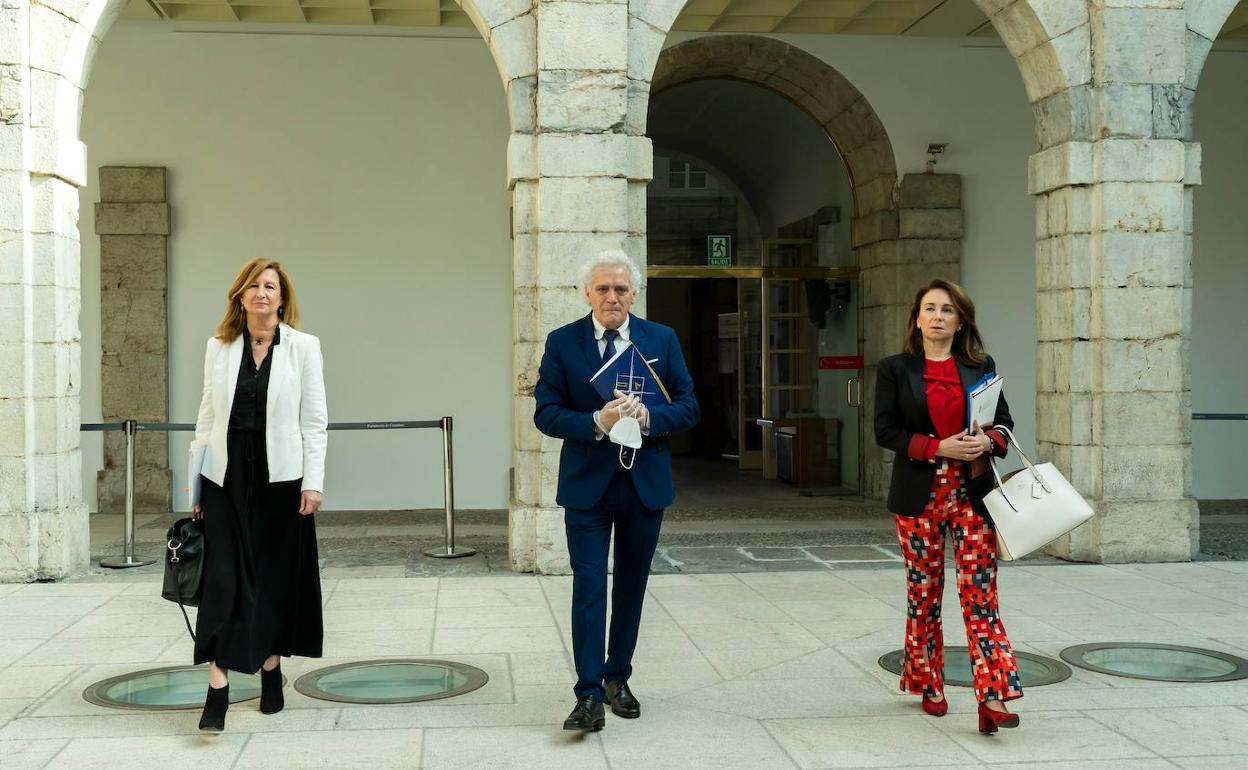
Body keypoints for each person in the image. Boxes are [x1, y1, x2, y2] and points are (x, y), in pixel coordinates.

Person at [534, 249, 700, 732]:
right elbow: (546, 413)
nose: (612, 297)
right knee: (589, 587)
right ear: (587, 292)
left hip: (643, 485)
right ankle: (586, 695)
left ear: (633, 294)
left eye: (621, 289)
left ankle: (616, 679)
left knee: (631, 587)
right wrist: (595, 421)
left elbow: (689, 407)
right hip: (587, 487)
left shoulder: (660, 339)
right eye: (603, 288)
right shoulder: (563, 343)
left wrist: (650, 417)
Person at [873, 278, 1023, 735]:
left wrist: (985, 441)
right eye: (930, 308)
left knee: (981, 595)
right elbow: (887, 432)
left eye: (948, 310)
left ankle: (993, 696)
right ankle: (927, 680)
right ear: (917, 318)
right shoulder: (895, 369)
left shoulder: (981, 366)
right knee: (925, 595)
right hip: (918, 499)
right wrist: (940, 447)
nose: (938, 316)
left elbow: (1004, 424)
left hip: (971, 498)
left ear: (961, 322)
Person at [190, 258, 328, 733]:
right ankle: (218, 689)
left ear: (282, 298)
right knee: (223, 580)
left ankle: (271, 671)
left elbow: (314, 421)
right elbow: (207, 416)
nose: (261, 293)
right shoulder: (219, 347)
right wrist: (197, 485)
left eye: (270, 286)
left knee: (270, 579)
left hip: (281, 479)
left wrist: (314, 481)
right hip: (225, 476)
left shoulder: (304, 348)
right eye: (253, 286)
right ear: (240, 296)